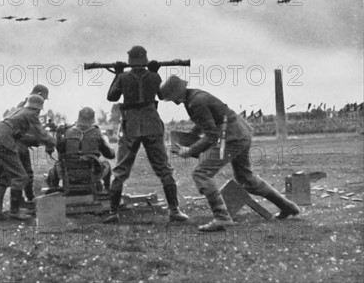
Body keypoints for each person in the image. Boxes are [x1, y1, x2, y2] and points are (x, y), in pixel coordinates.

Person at [159, 75, 300, 231]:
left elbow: (212, 134)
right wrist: (189, 137)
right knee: (246, 178)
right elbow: (205, 123)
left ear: (176, 93)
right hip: (241, 133)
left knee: (201, 173)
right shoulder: (194, 97)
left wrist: (190, 150)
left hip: (232, 137)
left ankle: (222, 217)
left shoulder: (195, 102)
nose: (172, 101)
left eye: (170, 97)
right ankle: (288, 207)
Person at [104, 46, 188, 224]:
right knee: (163, 167)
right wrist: (154, 73)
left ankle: (113, 212)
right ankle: (174, 210)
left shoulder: (124, 77)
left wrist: (117, 74)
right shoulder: (154, 76)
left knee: (120, 170)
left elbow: (112, 97)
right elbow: (161, 94)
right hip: (151, 122)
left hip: (131, 124)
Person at [0, 94, 56, 221]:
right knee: (21, 177)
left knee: (2, 178)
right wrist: (55, 142)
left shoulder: (19, 111)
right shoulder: (31, 114)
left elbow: (23, 136)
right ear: (38, 108)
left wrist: (39, 142)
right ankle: (14, 212)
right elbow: (42, 134)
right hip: (3, 141)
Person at [46, 107, 114, 192]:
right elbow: (110, 155)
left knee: (54, 168)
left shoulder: (68, 132)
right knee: (107, 164)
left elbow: (61, 151)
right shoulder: (96, 132)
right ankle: (107, 190)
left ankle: (54, 190)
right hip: (91, 174)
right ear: (92, 119)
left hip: (70, 173)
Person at [14, 85, 50, 209]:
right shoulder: (26, 106)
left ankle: (29, 199)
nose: (44, 101)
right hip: (17, 144)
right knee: (20, 174)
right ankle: (19, 204)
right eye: (44, 98)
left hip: (22, 144)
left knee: (28, 173)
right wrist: (46, 139)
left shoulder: (28, 104)